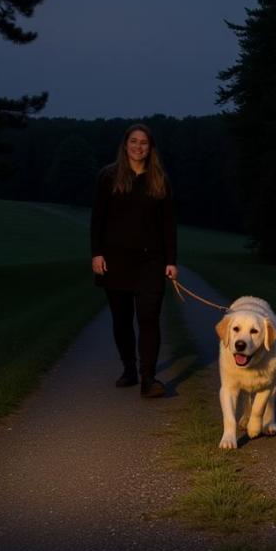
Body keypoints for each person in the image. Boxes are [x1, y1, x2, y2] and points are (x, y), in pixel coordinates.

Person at [90, 123, 177, 397]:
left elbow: (168, 225)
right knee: (122, 320)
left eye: (144, 143)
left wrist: (171, 261)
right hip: (115, 261)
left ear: (151, 148)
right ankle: (129, 368)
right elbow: (98, 219)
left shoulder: (160, 180)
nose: (139, 147)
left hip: (151, 261)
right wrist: (96, 253)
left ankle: (148, 379)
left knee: (149, 318)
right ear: (125, 145)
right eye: (134, 142)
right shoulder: (108, 177)